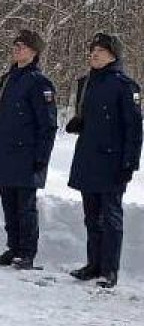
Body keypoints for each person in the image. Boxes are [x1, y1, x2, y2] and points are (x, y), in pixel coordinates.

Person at [66, 33, 142, 289]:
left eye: (101, 50)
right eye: (93, 50)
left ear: (113, 55)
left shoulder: (125, 86)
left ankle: (109, 270)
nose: (94, 54)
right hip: (89, 157)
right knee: (91, 216)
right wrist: (79, 123)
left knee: (110, 218)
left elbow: (134, 128)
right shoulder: (86, 82)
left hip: (112, 162)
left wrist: (130, 163)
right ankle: (94, 264)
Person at [0, 30, 57, 270]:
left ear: (34, 52)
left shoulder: (39, 83)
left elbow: (47, 124)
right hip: (6, 152)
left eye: (23, 46)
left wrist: (42, 157)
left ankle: (27, 252)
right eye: (15, 45)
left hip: (27, 154)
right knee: (8, 203)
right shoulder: (8, 79)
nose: (17, 50)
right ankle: (14, 246)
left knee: (25, 206)